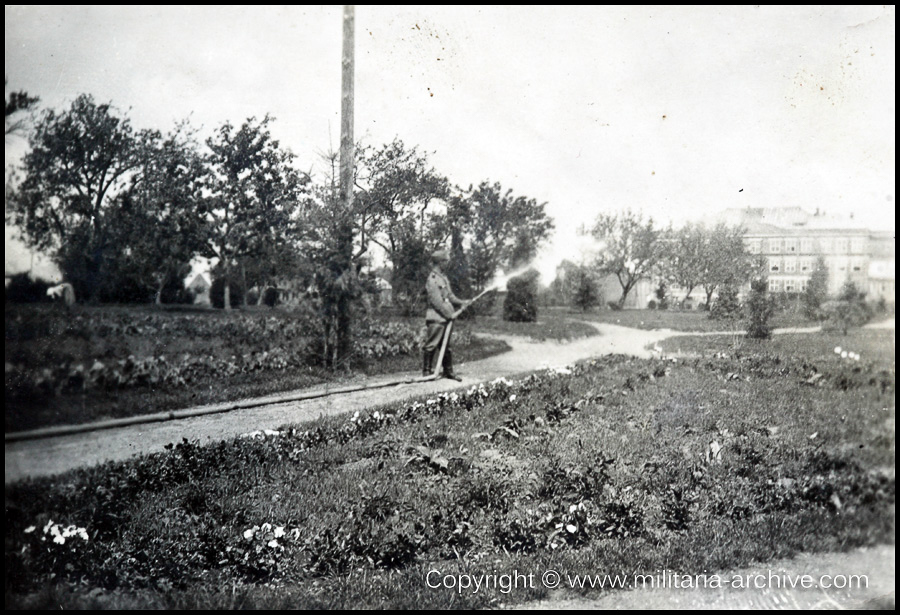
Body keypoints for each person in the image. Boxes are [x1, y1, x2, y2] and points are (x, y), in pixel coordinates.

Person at [423, 249, 470, 380]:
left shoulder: (443, 278)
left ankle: (448, 371)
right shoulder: (432, 280)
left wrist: (462, 302)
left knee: (446, 346)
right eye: (446, 261)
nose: (447, 264)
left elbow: (449, 295)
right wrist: (450, 315)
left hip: (446, 317)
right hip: (436, 318)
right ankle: (426, 371)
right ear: (440, 262)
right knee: (432, 345)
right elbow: (437, 302)